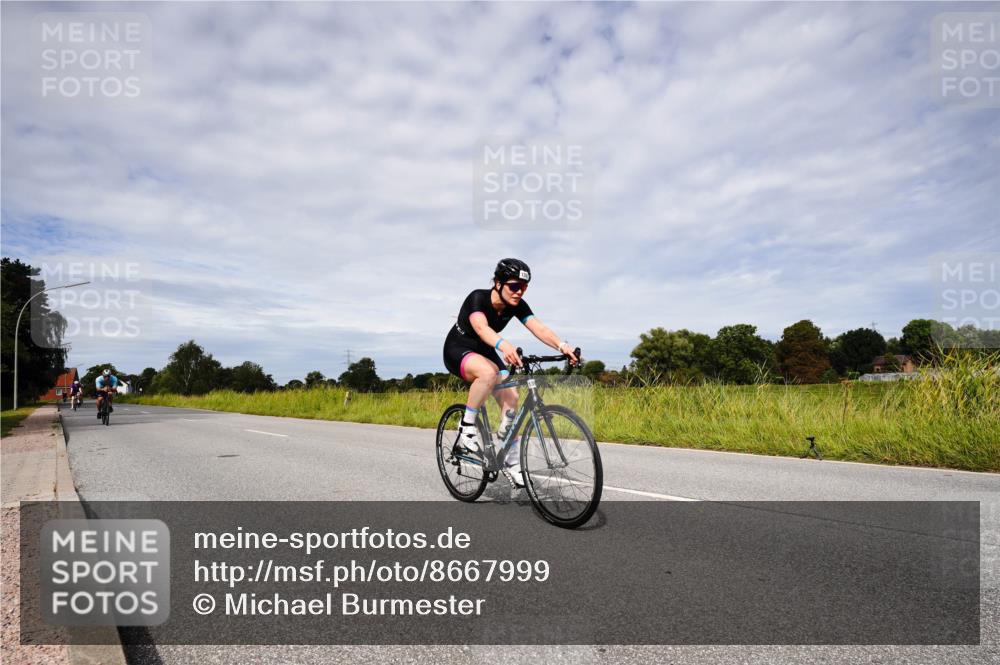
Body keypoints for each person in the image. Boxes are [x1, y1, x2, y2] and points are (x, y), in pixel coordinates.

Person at [442, 259, 578, 486]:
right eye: (514, 286)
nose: (520, 292)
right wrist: (504, 345)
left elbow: (539, 328)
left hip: (486, 349)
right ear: (498, 283)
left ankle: (511, 462)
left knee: (512, 397)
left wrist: (563, 346)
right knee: (488, 373)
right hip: (459, 348)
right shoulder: (478, 297)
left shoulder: (517, 305)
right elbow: (481, 328)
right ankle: (466, 429)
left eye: (524, 287)